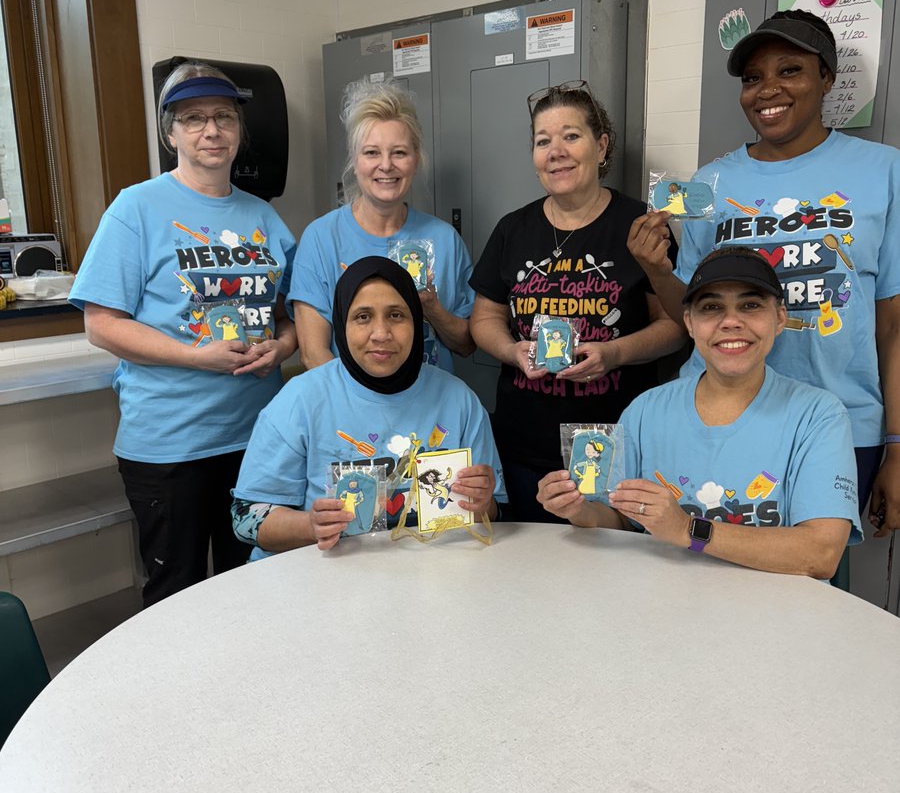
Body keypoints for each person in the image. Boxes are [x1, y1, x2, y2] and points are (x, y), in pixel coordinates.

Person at [629, 9, 900, 538]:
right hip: (720, 415)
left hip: (844, 419)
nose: (767, 90)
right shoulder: (712, 183)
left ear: (827, 77)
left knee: (810, 581)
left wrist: (897, 445)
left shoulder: (884, 172)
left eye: (789, 70)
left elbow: (893, 325)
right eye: (753, 78)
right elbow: (689, 307)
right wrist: (654, 268)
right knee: (705, 569)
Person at [69, 62, 297, 605]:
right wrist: (196, 357)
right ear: (170, 134)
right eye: (193, 119)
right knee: (179, 599)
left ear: (240, 131)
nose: (210, 130)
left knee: (258, 588)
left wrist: (281, 348)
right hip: (172, 446)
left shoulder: (264, 217)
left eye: (222, 117)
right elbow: (100, 324)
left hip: (258, 438)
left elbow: (290, 317)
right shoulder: (136, 208)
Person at [537, 247, 860, 579]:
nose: (731, 322)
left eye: (750, 305)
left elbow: (821, 554)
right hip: (663, 606)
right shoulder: (646, 410)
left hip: (773, 617)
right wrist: (579, 510)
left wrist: (688, 530)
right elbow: (621, 520)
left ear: (779, 318)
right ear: (689, 322)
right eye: (712, 307)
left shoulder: (819, 416)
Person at [469, 80, 686, 521]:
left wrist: (615, 353)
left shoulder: (638, 224)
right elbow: (484, 318)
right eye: (542, 141)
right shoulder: (513, 229)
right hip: (521, 445)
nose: (556, 151)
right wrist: (511, 351)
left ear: (601, 146)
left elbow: (677, 326)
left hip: (612, 447)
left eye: (571, 136)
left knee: (601, 574)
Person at [232, 257, 504, 557]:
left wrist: (482, 502)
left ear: (416, 321)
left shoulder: (458, 400)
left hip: (430, 574)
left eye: (396, 315)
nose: (381, 334)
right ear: (341, 324)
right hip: (323, 578)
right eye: (363, 317)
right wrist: (310, 526)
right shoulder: (301, 399)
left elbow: (492, 513)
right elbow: (245, 518)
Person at [289, 80, 474, 373]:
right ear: (355, 162)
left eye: (399, 152)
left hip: (429, 411)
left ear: (416, 160)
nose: (386, 165)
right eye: (372, 153)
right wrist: (366, 410)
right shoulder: (322, 238)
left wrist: (431, 308)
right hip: (353, 413)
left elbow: (465, 345)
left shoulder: (444, 240)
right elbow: (313, 355)